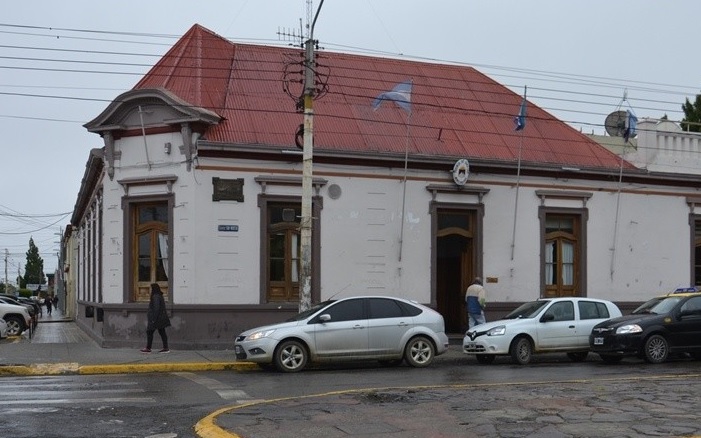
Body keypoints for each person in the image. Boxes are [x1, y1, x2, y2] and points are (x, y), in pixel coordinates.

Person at [141, 283, 171, 353]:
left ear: (154, 289)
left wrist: (153, 320)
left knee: (149, 332)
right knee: (162, 332)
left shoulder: (156, 296)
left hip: (156, 319)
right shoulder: (159, 295)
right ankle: (166, 348)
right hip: (160, 318)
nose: (150, 289)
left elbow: (156, 308)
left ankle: (148, 348)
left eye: (151, 288)